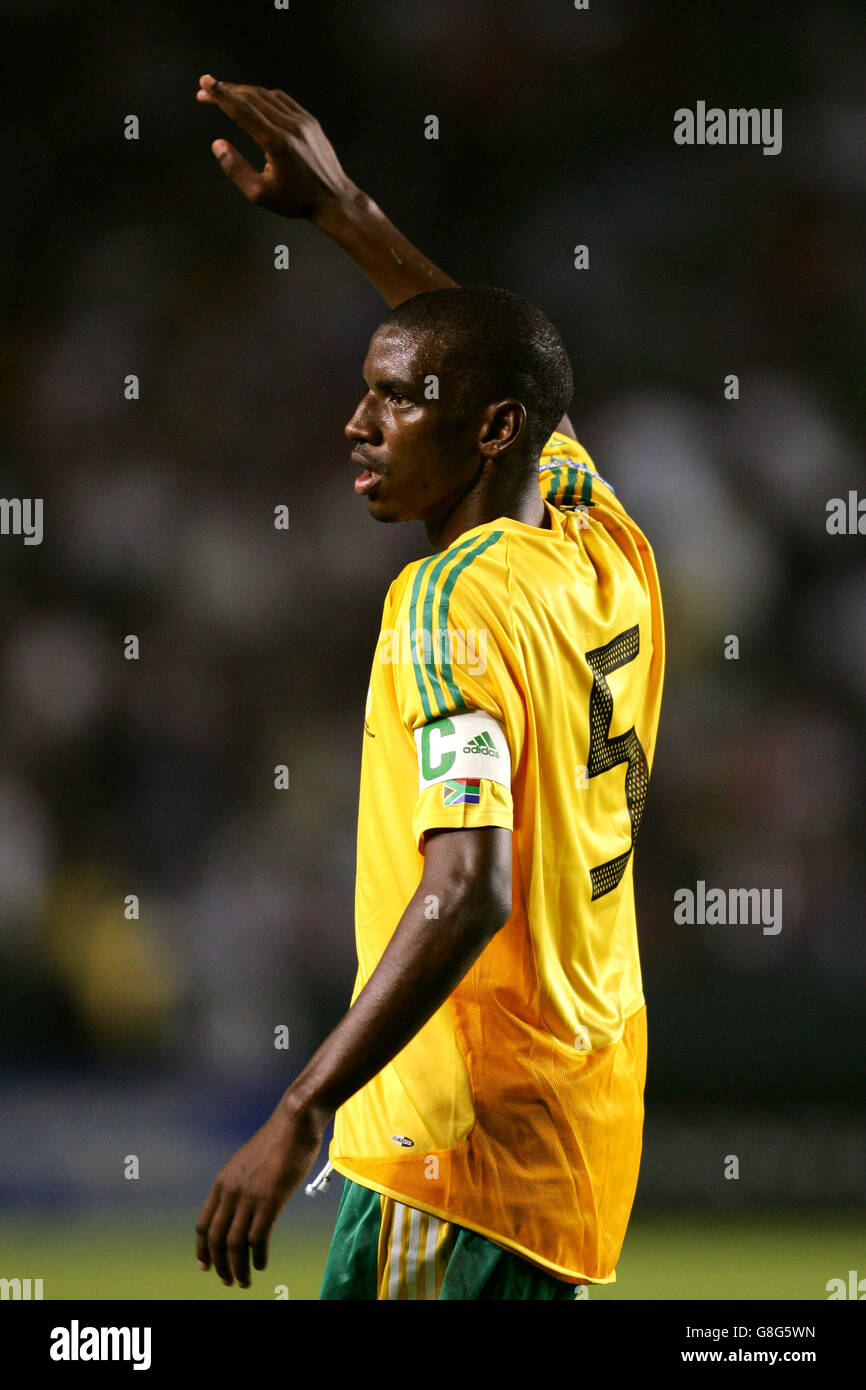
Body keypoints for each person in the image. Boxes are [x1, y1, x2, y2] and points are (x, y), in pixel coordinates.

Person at [193, 75, 665, 1301]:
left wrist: (297, 1109)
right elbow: (497, 354)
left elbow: (466, 889)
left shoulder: (449, 605)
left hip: (451, 1146)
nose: (359, 422)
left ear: (491, 430)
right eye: (367, 388)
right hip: (575, 1126)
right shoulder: (600, 543)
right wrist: (340, 209)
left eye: (398, 400)